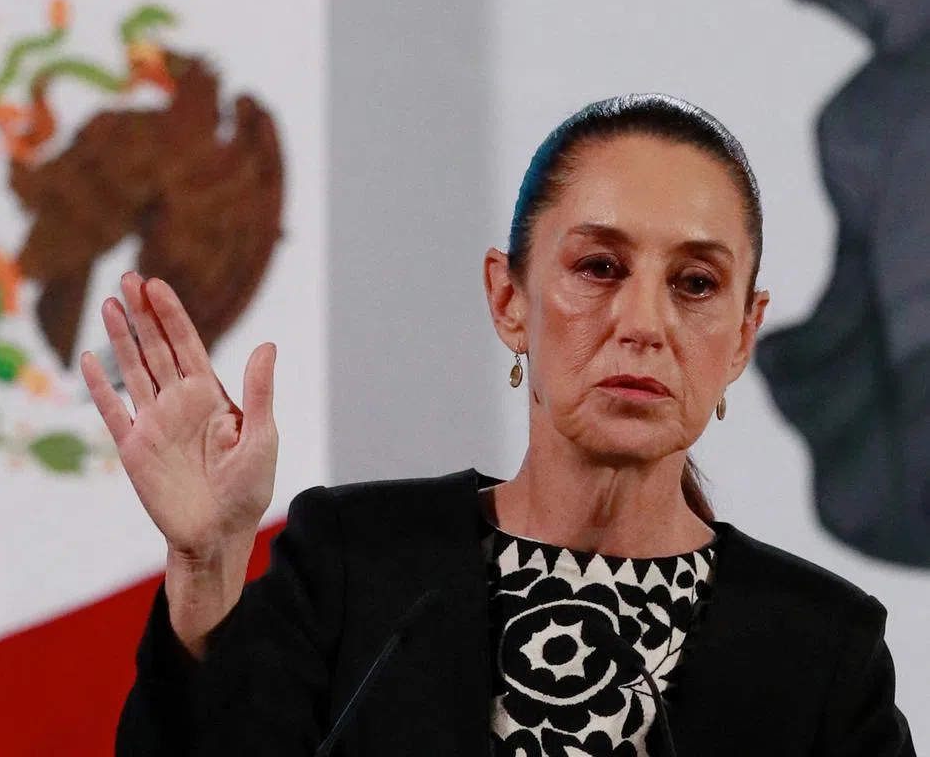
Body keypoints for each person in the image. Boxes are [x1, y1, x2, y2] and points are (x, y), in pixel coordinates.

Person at [81, 95, 917, 756]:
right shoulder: (355, 562)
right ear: (509, 299)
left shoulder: (823, 649)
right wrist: (203, 569)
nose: (643, 323)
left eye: (695, 283)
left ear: (742, 335)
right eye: (599, 267)